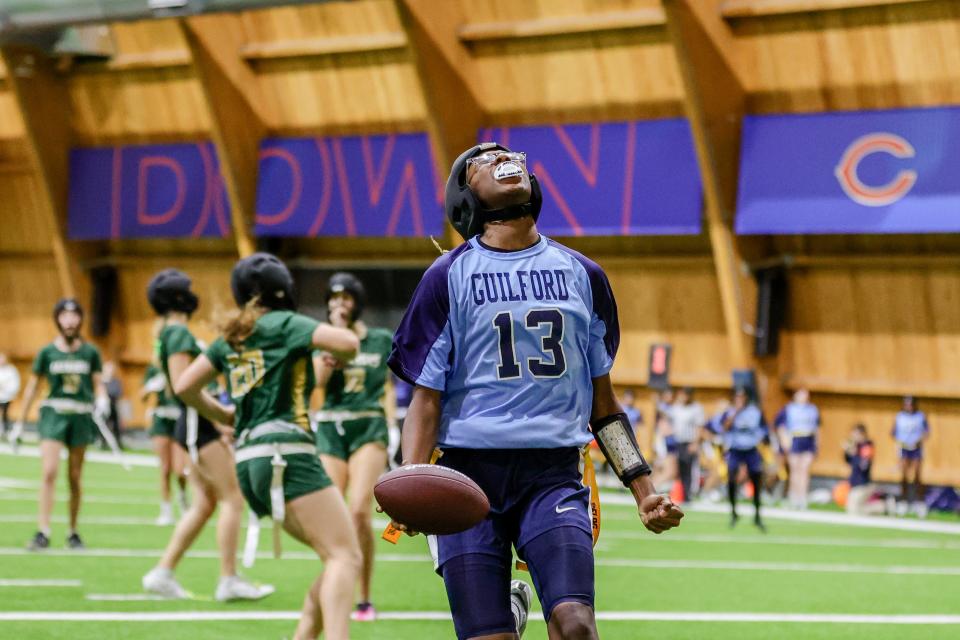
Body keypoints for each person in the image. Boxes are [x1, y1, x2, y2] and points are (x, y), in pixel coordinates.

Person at [388, 143, 684, 640]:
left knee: (576, 627)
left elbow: (603, 407)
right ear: (465, 196)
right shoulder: (447, 276)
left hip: (552, 474)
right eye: (482, 158)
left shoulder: (584, 276)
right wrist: (413, 480)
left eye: (507, 152)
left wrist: (644, 490)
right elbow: (426, 397)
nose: (502, 156)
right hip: (466, 472)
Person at [175, 253, 362, 640]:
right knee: (346, 556)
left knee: (333, 559)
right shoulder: (284, 322)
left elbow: (185, 387)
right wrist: (339, 353)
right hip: (287, 454)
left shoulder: (233, 334)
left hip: (248, 460)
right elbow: (348, 343)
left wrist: (225, 414)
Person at [140, 269, 273, 602]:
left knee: (203, 504)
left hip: (193, 425)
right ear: (177, 298)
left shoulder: (169, 333)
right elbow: (186, 387)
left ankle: (163, 572)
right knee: (233, 497)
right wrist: (221, 418)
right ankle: (228, 579)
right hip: (200, 425)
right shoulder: (179, 334)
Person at [313, 272, 395, 622]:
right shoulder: (322, 340)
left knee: (359, 510)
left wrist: (392, 426)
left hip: (368, 424)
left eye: (345, 297)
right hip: (332, 426)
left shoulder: (378, 339)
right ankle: (337, 586)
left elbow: (388, 386)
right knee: (333, 515)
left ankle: (364, 596)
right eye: (333, 298)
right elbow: (316, 384)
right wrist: (333, 343)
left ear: (356, 301)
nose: (338, 304)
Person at [13, 299, 108, 551]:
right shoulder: (47, 352)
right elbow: (33, 387)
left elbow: (98, 383)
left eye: (74, 315)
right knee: (49, 471)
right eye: (64, 315)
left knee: (75, 477)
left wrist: (102, 399)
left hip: (80, 416)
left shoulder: (90, 352)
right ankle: (43, 531)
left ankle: (73, 532)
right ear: (57, 319)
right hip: (53, 414)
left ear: (80, 319)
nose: (69, 320)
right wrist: (19, 424)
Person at [711, 387, 768, 531]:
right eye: (737, 397)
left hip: (751, 449)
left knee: (756, 480)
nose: (740, 400)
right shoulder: (730, 412)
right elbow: (723, 428)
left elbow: (764, 430)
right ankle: (734, 512)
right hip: (736, 449)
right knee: (731, 480)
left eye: (742, 397)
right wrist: (735, 412)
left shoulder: (755, 412)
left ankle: (757, 515)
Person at [141, 361, 188, 525]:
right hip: (161, 421)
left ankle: (183, 499)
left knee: (181, 470)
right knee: (165, 468)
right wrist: (151, 387)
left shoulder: (181, 366)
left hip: (179, 419)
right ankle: (166, 509)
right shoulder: (153, 370)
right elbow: (142, 397)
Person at [774, 388, 820, 510]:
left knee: (804, 470)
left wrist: (817, 444)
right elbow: (780, 425)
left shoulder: (812, 410)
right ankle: (794, 497)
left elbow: (816, 428)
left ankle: (802, 497)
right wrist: (784, 440)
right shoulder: (789, 409)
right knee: (795, 470)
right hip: (795, 439)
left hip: (808, 439)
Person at [892, 395, 930, 518]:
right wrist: (900, 443)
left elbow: (926, 432)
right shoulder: (900, 417)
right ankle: (903, 501)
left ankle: (919, 502)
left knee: (917, 475)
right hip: (904, 448)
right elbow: (893, 433)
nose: (909, 406)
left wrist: (918, 441)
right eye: (907, 404)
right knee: (903, 475)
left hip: (916, 448)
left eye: (911, 404)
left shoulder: (920, 416)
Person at [670, 387, 705, 502]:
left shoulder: (696, 408)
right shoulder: (677, 408)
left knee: (689, 469)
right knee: (680, 469)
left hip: (689, 442)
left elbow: (699, 427)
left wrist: (695, 443)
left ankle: (688, 495)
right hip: (679, 442)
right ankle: (682, 494)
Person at [843, 424, 887, 516]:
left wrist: (854, 454)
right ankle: (880, 507)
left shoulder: (867, 447)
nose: (853, 437)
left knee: (853, 511)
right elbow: (848, 461)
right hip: (854, 484)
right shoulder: (856, 446)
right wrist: (847, 452)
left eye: (855, 435)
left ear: (862, 434)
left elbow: (863, 466)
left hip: (863, 484)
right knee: (853, 509)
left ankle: (882, 506)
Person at [101, 361, 125, 450]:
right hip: (103, 407)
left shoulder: (115, 381)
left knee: (116, 426)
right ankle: (103, 443)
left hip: (113, 406)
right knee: (103, 425)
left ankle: (118, 443)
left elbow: (118, 392)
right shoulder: (101, 381)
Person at [0, 352, 20, 438]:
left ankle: (4, 430)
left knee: (5, 414)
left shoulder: (11, 370)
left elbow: (15, 384)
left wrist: (5, 388)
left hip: (5, 397)